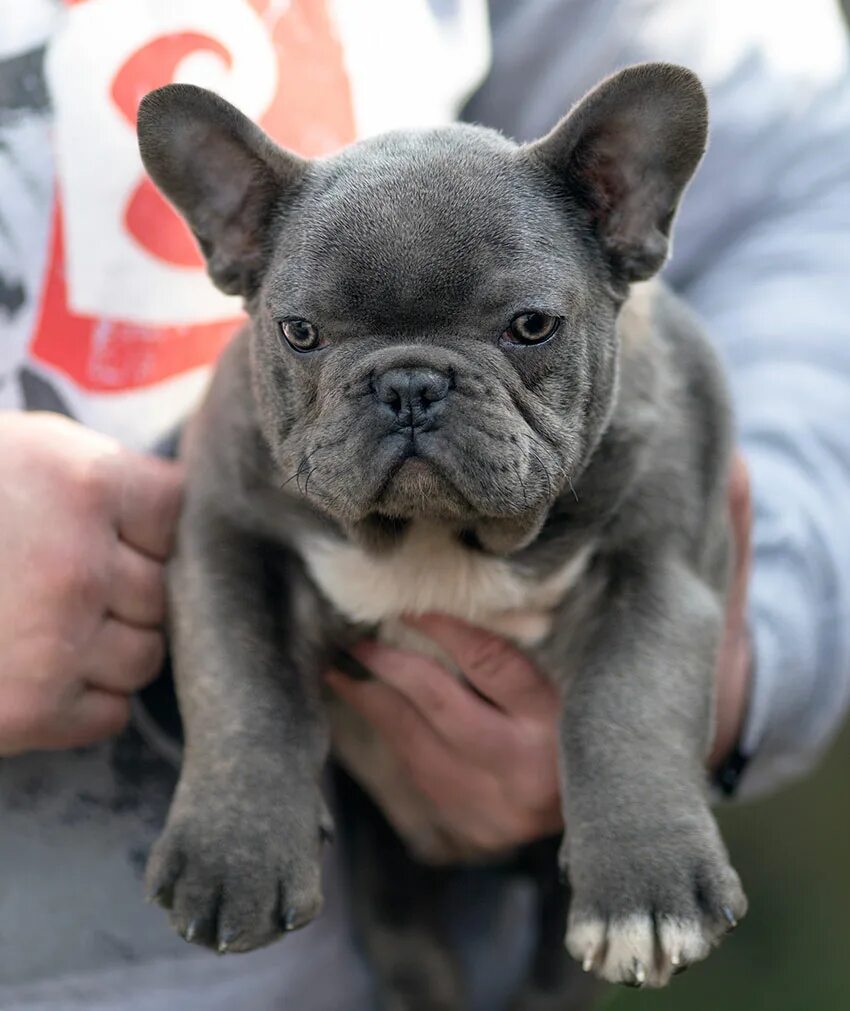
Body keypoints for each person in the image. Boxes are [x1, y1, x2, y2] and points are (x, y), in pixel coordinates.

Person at [1, 1, 848, 1009]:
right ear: (235, 237)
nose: (411, 396)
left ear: (622, 211)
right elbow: (229, 544)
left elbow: (805, 174)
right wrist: (246, 771)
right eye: (312, 339)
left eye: (525, 327)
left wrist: (739, 662)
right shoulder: (245, 438)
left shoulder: (649, 416)